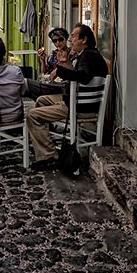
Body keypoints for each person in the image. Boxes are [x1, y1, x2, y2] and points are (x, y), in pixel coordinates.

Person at [27, 24, 108, 171]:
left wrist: (60, 71)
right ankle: (43, 142)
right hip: (75, 100)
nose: (70, 40)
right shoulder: (89, 54)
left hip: (77, 106)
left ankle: (49, 157)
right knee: (41, 100)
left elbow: (83, 77)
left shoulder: (88, 56)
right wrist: (65, 64)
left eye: (73, 36)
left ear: (84, 39)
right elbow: (80, 74)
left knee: (32, 115)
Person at [26, 27, 72, 99]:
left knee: (28, 84)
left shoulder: (71, 53)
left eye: (60, 39)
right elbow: (44, 73)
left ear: (66, 39)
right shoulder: (52, 55)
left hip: (62, 86)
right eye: (55, 41)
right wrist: (42, 60)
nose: (58, 43)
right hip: (51, 84)